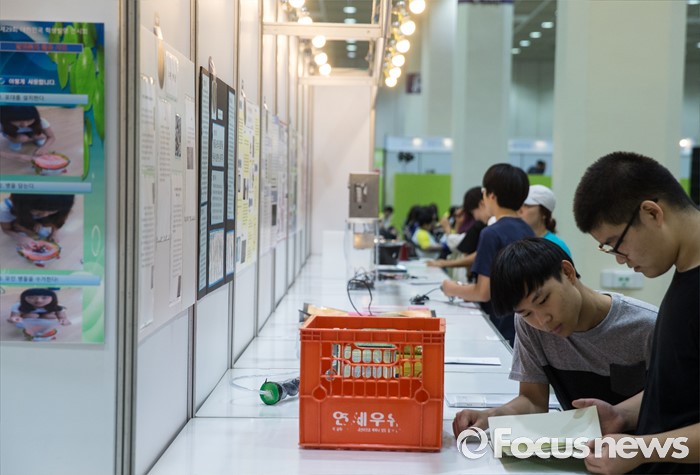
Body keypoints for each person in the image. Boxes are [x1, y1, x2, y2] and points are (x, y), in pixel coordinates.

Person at [572, 151, 700, 474]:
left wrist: (641, 449)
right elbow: (682, 389)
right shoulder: (685, 273)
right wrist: (622, 415)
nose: (619, 258)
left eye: (617, 243)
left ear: (652, 213)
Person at [452, 237, 657, 438]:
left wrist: (621, 417)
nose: (542, 321)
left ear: (567, 272)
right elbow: (533, 401)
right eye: (526, 313)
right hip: (582, 452)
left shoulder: (647, 326)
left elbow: (672, 398)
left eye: (543, 300)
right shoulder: (528, 325)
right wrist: (490, 416)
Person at [441, 163, 534, 344]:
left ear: (491, 195)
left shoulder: (491, 233)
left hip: (498, 325)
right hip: (521, 324)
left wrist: (451, 288)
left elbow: (483, 292)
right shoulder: (528, 230)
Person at [428, 187, 490, 282]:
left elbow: (476, 253)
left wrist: (445, 263)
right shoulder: (481, 224)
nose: (476, 217)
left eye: (472, 212)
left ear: (482, 204)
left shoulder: (483, 226)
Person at [0, 194, 75, 249]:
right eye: (38, 212)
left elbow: (58, 219)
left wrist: (54, 233)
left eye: (52, 211)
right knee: (18, 227)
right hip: (20, 217)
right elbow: (6, 229)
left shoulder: (60, 206)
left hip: (29, 219)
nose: (45, 215)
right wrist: (20, 238)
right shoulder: (5, 209)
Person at [519, 184, 572, 257]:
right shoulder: (516, 240)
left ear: (544, 213)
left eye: (527, 205)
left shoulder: (556, 246)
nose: (520, 210)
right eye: (520, 205)